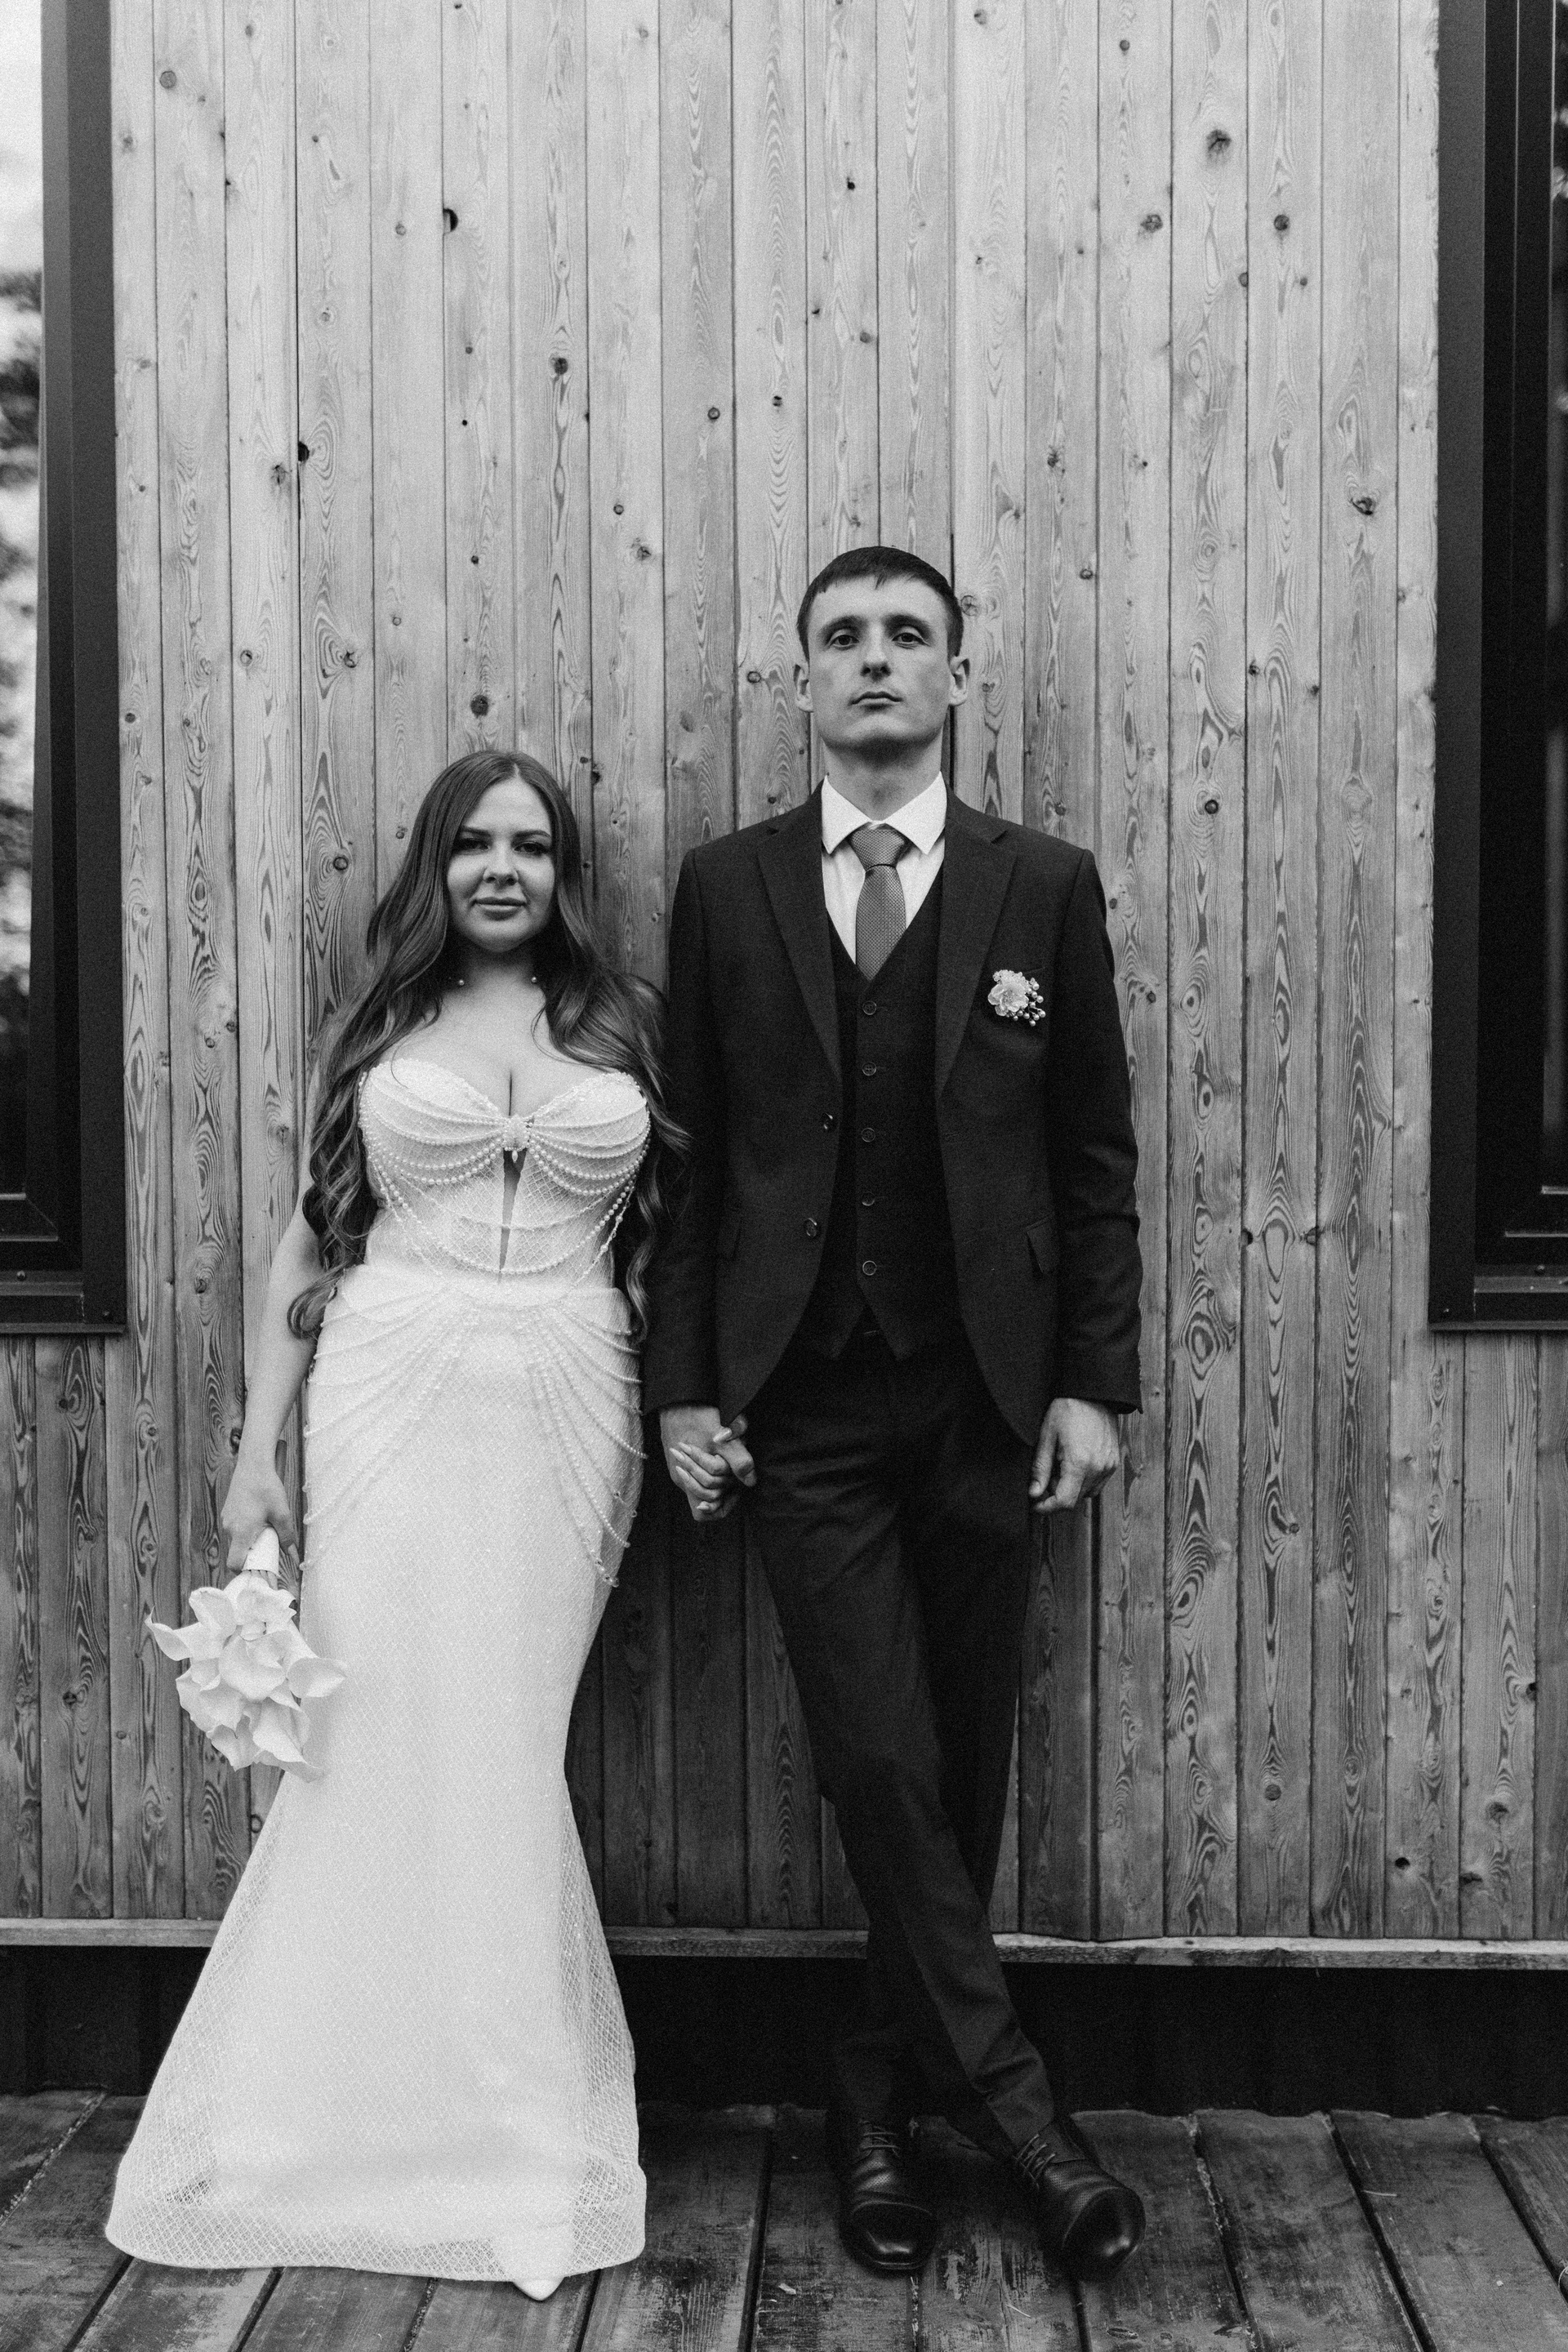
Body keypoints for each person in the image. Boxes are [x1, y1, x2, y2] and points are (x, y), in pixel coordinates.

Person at [107, 751, 681, 2300]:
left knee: (504, 1739)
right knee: (372, 1737)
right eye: (475, 843)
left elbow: (662, 1250)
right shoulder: (383, 1025)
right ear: (436, 864)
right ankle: (325, 2112)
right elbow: (312, 1242)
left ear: (563, 872)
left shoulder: (619, 1026)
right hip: (388, 1391)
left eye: (533, 846)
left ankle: (500, 2107)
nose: (504, 868)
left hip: (571, 1400)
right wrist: (257, 1453)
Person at [646, 546, 1147, 2283]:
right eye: (843, 638)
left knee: (957, 1765)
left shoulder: (1042, 884)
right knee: (875, 1750)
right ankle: (1025, 2120)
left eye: (907, 636)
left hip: (989, 1394)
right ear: (803, 679)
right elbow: (692, 1161)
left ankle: (874, 2104)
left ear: (954, 675)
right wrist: (683, 1386)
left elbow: (1094, 1156)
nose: (875, 660)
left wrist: (1093, 1380)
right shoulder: (727, 887)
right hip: (803, 1402)